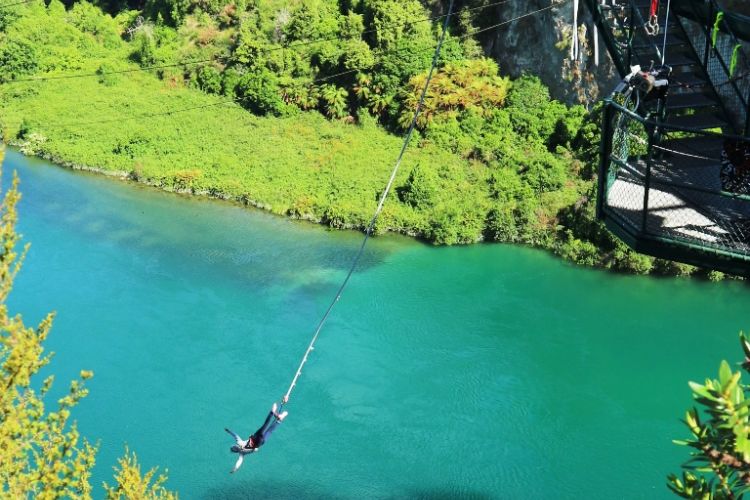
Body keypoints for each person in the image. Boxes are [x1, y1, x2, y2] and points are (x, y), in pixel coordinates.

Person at [225, 403, 288, 473]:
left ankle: (278, 418)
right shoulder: (241, 449)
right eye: (233, 447)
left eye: (233, 447)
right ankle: (274, 414)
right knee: (266, 427)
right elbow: (239, 461)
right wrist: (235, 468)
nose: (234, 446)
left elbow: (235, 436)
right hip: (257, 440)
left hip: (258, 441)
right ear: (235, 449)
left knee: (268, 430)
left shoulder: (241, 450)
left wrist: (229, 431)